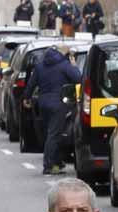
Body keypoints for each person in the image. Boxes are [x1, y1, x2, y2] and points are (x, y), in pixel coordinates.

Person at [27, 44, 80, 174]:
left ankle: (57, 162)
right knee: (54, 134)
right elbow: (78, 78)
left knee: (49, 134)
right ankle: (49, 165)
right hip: (58, 103)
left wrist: (26, 98)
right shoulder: (64, 65)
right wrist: (74, 66)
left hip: (43, 103)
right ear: (64, 54)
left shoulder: (40, 65)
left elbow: (31, 84)